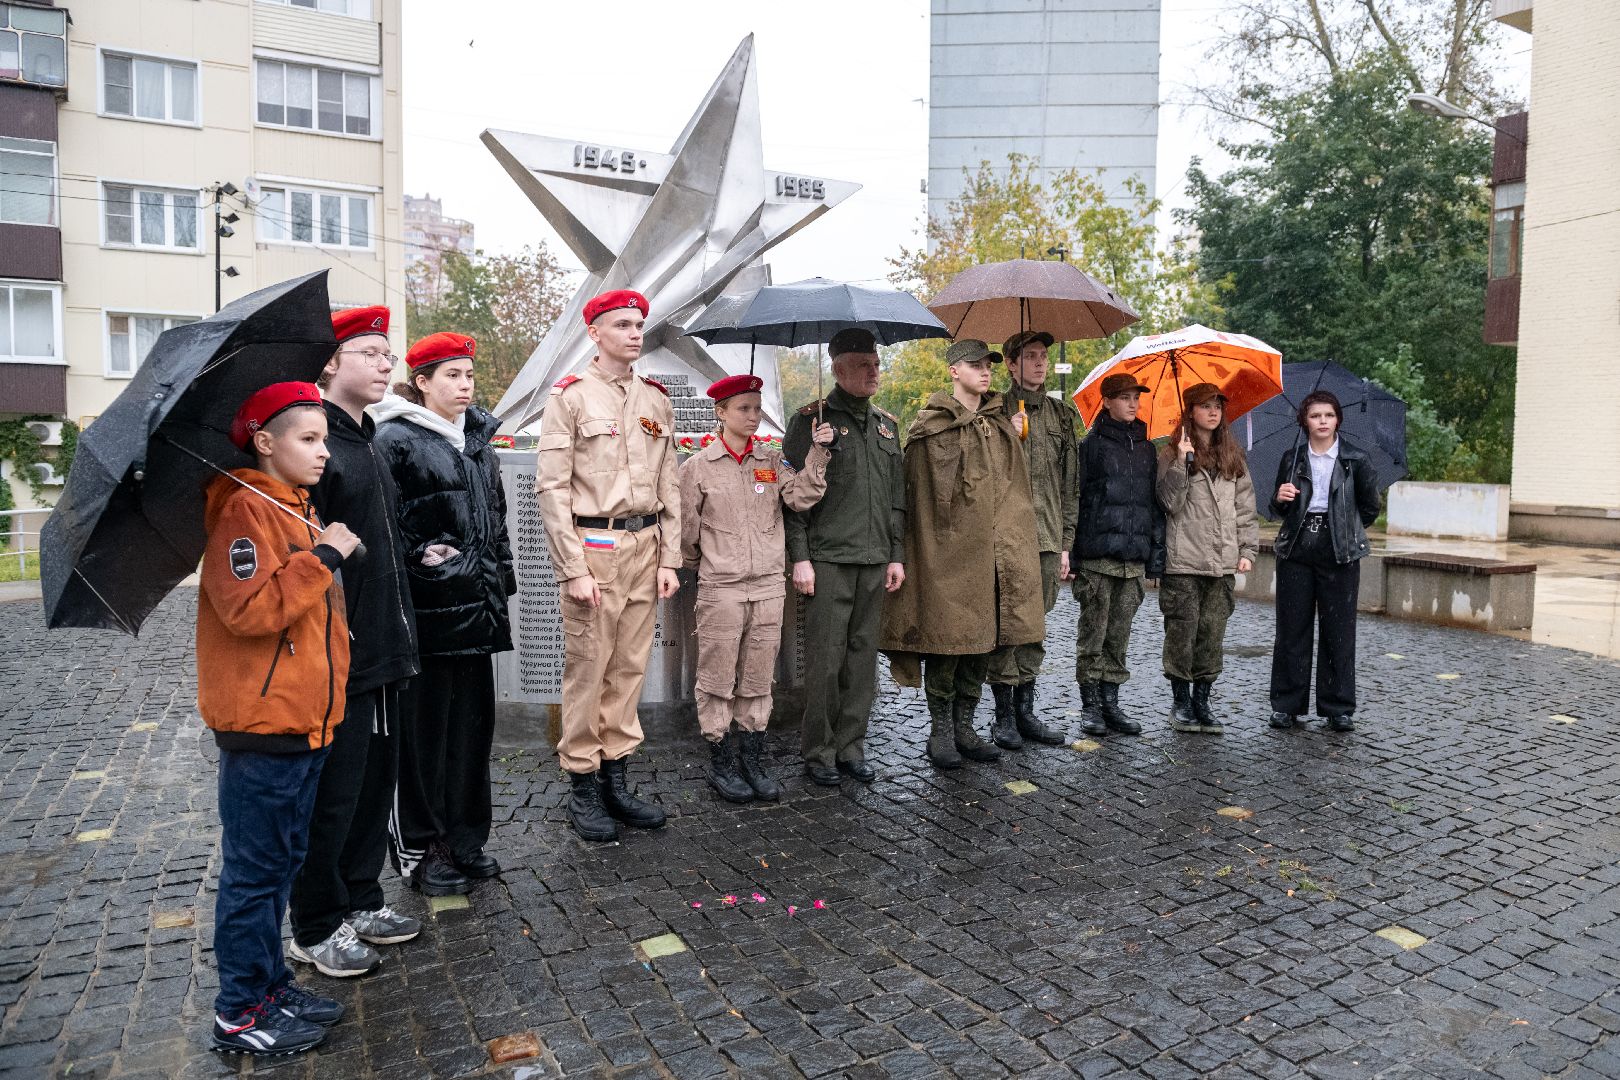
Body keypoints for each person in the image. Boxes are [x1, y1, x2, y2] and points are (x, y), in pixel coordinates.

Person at [200, 381, 359, 1055]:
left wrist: (321, 544)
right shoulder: (243, 509)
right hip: (263, 729)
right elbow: (249, 612)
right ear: (264, 441)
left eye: (324, 439)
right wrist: (324, 557)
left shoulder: (295, 507)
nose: (324, 453)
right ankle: (239, 1011)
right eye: (308, 439)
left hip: (306, 723)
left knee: (283, 863)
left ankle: (269, 988)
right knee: (254, 874)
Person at [286, 307, 421, 979]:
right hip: (341, 650)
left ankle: (363, 898)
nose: (385, 363)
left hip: (385, 646)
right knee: (333, 794)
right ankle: (314, 924)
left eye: (388, 354)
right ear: (332, 362)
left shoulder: (368, 437)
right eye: (370, 352)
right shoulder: (316, 445)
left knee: (374, 787)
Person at [535, 290, 680, 842]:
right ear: (594, 333)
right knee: (589, 667)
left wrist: (671, 557)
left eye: (640, 324)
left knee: (629, 668)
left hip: (646, 546)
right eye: (622, 324)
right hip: (594, 547)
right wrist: (572, 568)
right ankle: (583, 782)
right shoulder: (571, 397)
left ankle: (618, 776)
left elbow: (669, 482)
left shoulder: (655, 399)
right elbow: (551, 490)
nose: (635, 333)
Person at [374, 332, 515, 890]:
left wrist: (500, 578)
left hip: (477, 610)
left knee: (472, 733)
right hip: (431, 613)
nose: (463, 385)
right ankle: (423, 848)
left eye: (469, 375)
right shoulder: (396, 440)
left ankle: (465, 839)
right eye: (450, 376)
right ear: (423, 382)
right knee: (426, 736)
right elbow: (384, 526)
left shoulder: (476, 439)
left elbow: (496, 520)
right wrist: (421, 559)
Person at [881, 340, 1046, 768]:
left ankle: (966, 729)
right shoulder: (930, 427)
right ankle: (940, 732)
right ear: (954, 371)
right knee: (947, 643)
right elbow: (914, 496)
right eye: (974, 366)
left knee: (982, 646)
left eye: (988, 366)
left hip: (993, 556)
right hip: (946, 557)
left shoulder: (1000, 424)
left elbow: (1015, 494)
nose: (985, 372)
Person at [680, 374, 834, 802]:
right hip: (722, 589)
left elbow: (801, 499)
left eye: (757, 407)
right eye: (743, 408)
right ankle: (722, 764)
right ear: (721, 412)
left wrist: (819, 452)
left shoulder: (771, 459)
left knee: (757, 677)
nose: (753, 416)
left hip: (768, 587)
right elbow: (686, 533)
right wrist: (709, 564)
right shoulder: (697, 468)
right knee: (716, 677)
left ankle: (752, 759)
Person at [782, 327, 906, 786]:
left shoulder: (886, 425)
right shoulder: (810, 421)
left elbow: (896, 498)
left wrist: (896, 555)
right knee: (826, 660)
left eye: (875, 363)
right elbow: (792, 498)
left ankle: (852, 746)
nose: (873, 371)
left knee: (861, 659)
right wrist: (800, 557)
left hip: (874, 559)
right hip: (828, 559)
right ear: (837, 369)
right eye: (862, 364)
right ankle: (819, 752)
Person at [985, 330, 1078, 750]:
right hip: (1005, 537)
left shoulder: (1061, 416)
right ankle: (1003, 714)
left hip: (1046, 536)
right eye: (1030, 356)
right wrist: (1010, 432)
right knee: (1008, 624)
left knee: (1035, 626)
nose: (1040, 363)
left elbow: (1069, 486)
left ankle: (1026, 710)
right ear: (1010, 363)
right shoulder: (993, 410)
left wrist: (1065, 541)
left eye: (1044, 356)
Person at [1268, 390, 1381, 732]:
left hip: (1339, 550)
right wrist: (1281, 498)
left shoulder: (1355, 459)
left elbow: (1371, 507)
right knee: (1292, 630)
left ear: (1337, 420)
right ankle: (1287, 706)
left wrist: (1344, 526)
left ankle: (1338, 708)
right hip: (1298, 550)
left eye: (1328, 415)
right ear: (1305, 420)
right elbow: (1277, 510)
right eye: (1315, 415)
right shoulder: (1292, 458)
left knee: (1339, 632)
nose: (1322, 421)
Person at [1156, 383, 1258, 735]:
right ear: (1191, 411)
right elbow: (1169, 503)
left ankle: (1203, 700)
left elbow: (1245, 508)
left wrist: (1247, 550)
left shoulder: (1233, 455)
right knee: (1182, 634)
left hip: (1221, 564)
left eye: (1217, 405)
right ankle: (1181, 702)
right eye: (1205, 406)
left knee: (1212, 634)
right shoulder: (1171, 454)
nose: (1213, 412)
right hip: (1184, 562)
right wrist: (1183, 462)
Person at [1070, 371, 1165, 736]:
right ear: (1106, 402)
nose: (1132, 403)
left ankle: (1111, 703)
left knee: (1119, 637)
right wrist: (1075, 556)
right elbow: (1076, 500)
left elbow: (1153, 507)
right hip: (1098, 558)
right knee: (1093, 635)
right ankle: (1090, 706)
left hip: (1133, 559)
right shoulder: (1091, 446)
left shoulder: (1146, 448)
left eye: (1135, 397)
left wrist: (1155, 558)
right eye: (1124, 397)